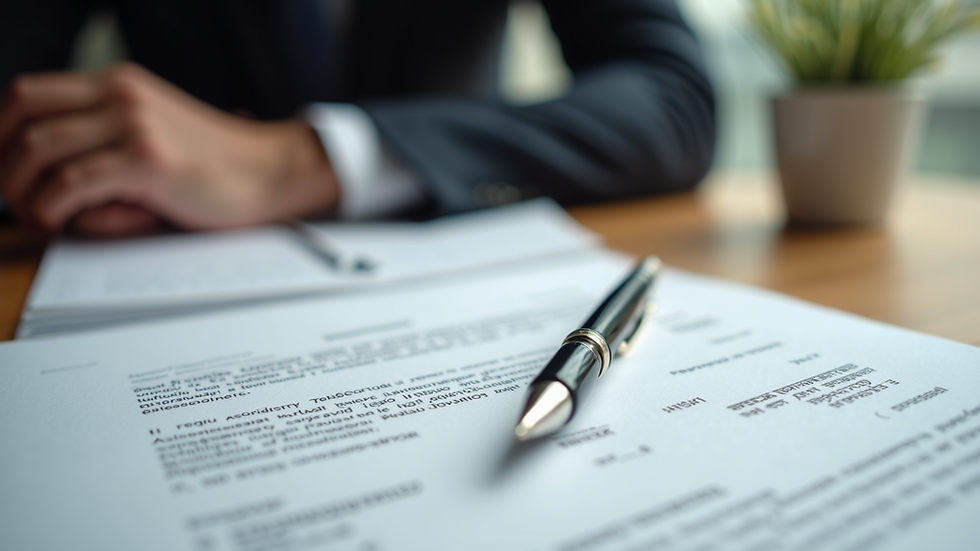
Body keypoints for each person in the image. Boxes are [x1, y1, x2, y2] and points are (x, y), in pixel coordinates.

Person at [0, 0, 715, 237]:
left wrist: (304, 160)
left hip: (454, 257)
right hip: (157, 264)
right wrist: (72, 167)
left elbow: (672, 99)